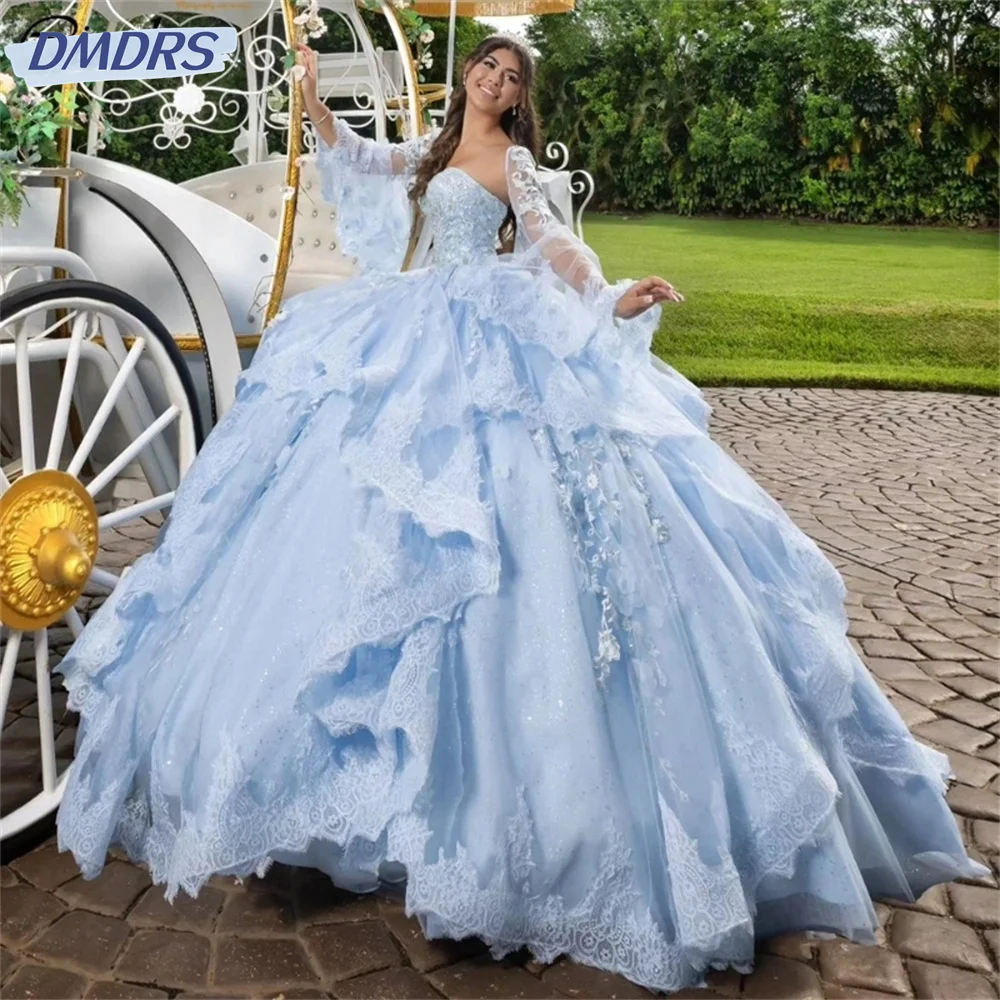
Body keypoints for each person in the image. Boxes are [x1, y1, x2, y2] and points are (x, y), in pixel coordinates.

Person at [55, 35, 985, 994]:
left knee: (512, 524)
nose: (496, 85)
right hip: (415, 322)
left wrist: (612, 294)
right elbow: (360, 160)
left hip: (490, 329)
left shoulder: (517, 164)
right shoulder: (436, 144)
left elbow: (553, 242)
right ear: (468, 79)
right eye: (487, 72)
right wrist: (309, 94)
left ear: (522, 98)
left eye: (512, 79)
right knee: (360, 513)